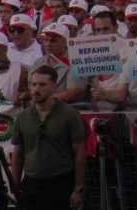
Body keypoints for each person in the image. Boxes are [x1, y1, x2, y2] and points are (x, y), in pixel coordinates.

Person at [11, 66, 86, 210]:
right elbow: (18, 154)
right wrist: (14, 185)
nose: (36, 89)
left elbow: (80, 153)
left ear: (54, 87)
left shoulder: (70, 115)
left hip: (61, 182)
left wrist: (78, 189)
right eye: (33, 84)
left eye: (42, 85)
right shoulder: (23, 116)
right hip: (31, 183)